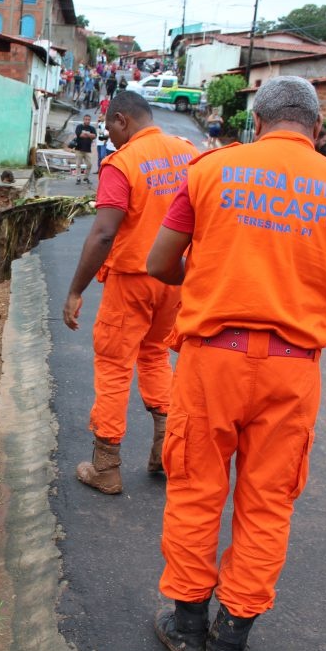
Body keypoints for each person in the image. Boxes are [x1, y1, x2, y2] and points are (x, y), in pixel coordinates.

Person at [146, 76, 326, 651]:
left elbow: (159, 262)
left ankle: (188, 626)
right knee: (268, 502)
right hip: (293, 370)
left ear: (255, 122)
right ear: (318, 129)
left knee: (197, 491)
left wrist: (210, 278)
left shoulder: (209, 171)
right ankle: (233, 636)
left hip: (211, 362)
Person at [62, 91, 197, 493]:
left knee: (114, 365)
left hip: (132, 281)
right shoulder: (190, 154)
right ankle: (164, 454)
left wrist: (75, 290)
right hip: (175, 279)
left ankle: (106, 466)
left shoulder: (122, 164)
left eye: (109, 129)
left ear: (122, 120)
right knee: (156, 355)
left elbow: (104, 233)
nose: (110, 138)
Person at [73, 114, 96, 186]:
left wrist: (86, 133)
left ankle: (86, 178)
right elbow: (80, 135)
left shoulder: (92, 128)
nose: (87, 121)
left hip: (87, 149)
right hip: (79, 149)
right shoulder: (79, 127)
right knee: (78, 165)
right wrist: (89, 135)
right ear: (83, 120)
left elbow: (94, 136)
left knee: (89, 165)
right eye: (86, 119)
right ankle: (78, 178)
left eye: (89, 120)